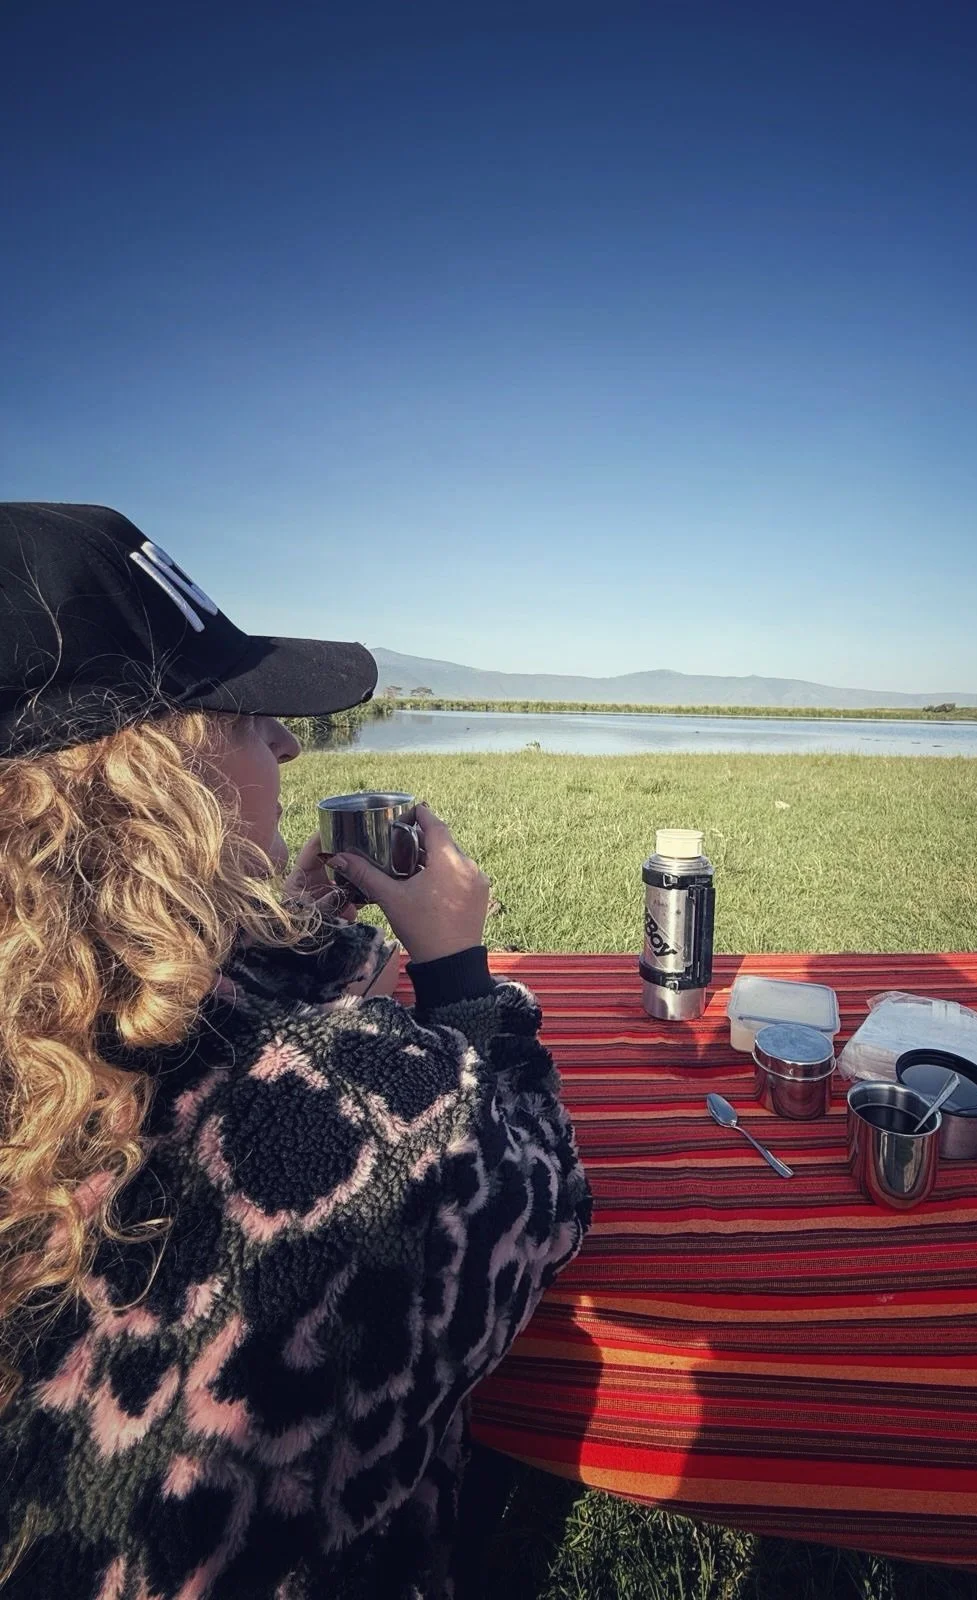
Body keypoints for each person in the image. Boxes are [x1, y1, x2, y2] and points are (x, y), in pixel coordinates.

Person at [0, 503, 591, 1599]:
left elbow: (175, 1013)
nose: (283, 740)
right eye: (239, 715)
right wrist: (460, 974)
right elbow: (537, 1203)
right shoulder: (345, 1103)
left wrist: (290, 939)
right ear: (152, 779)